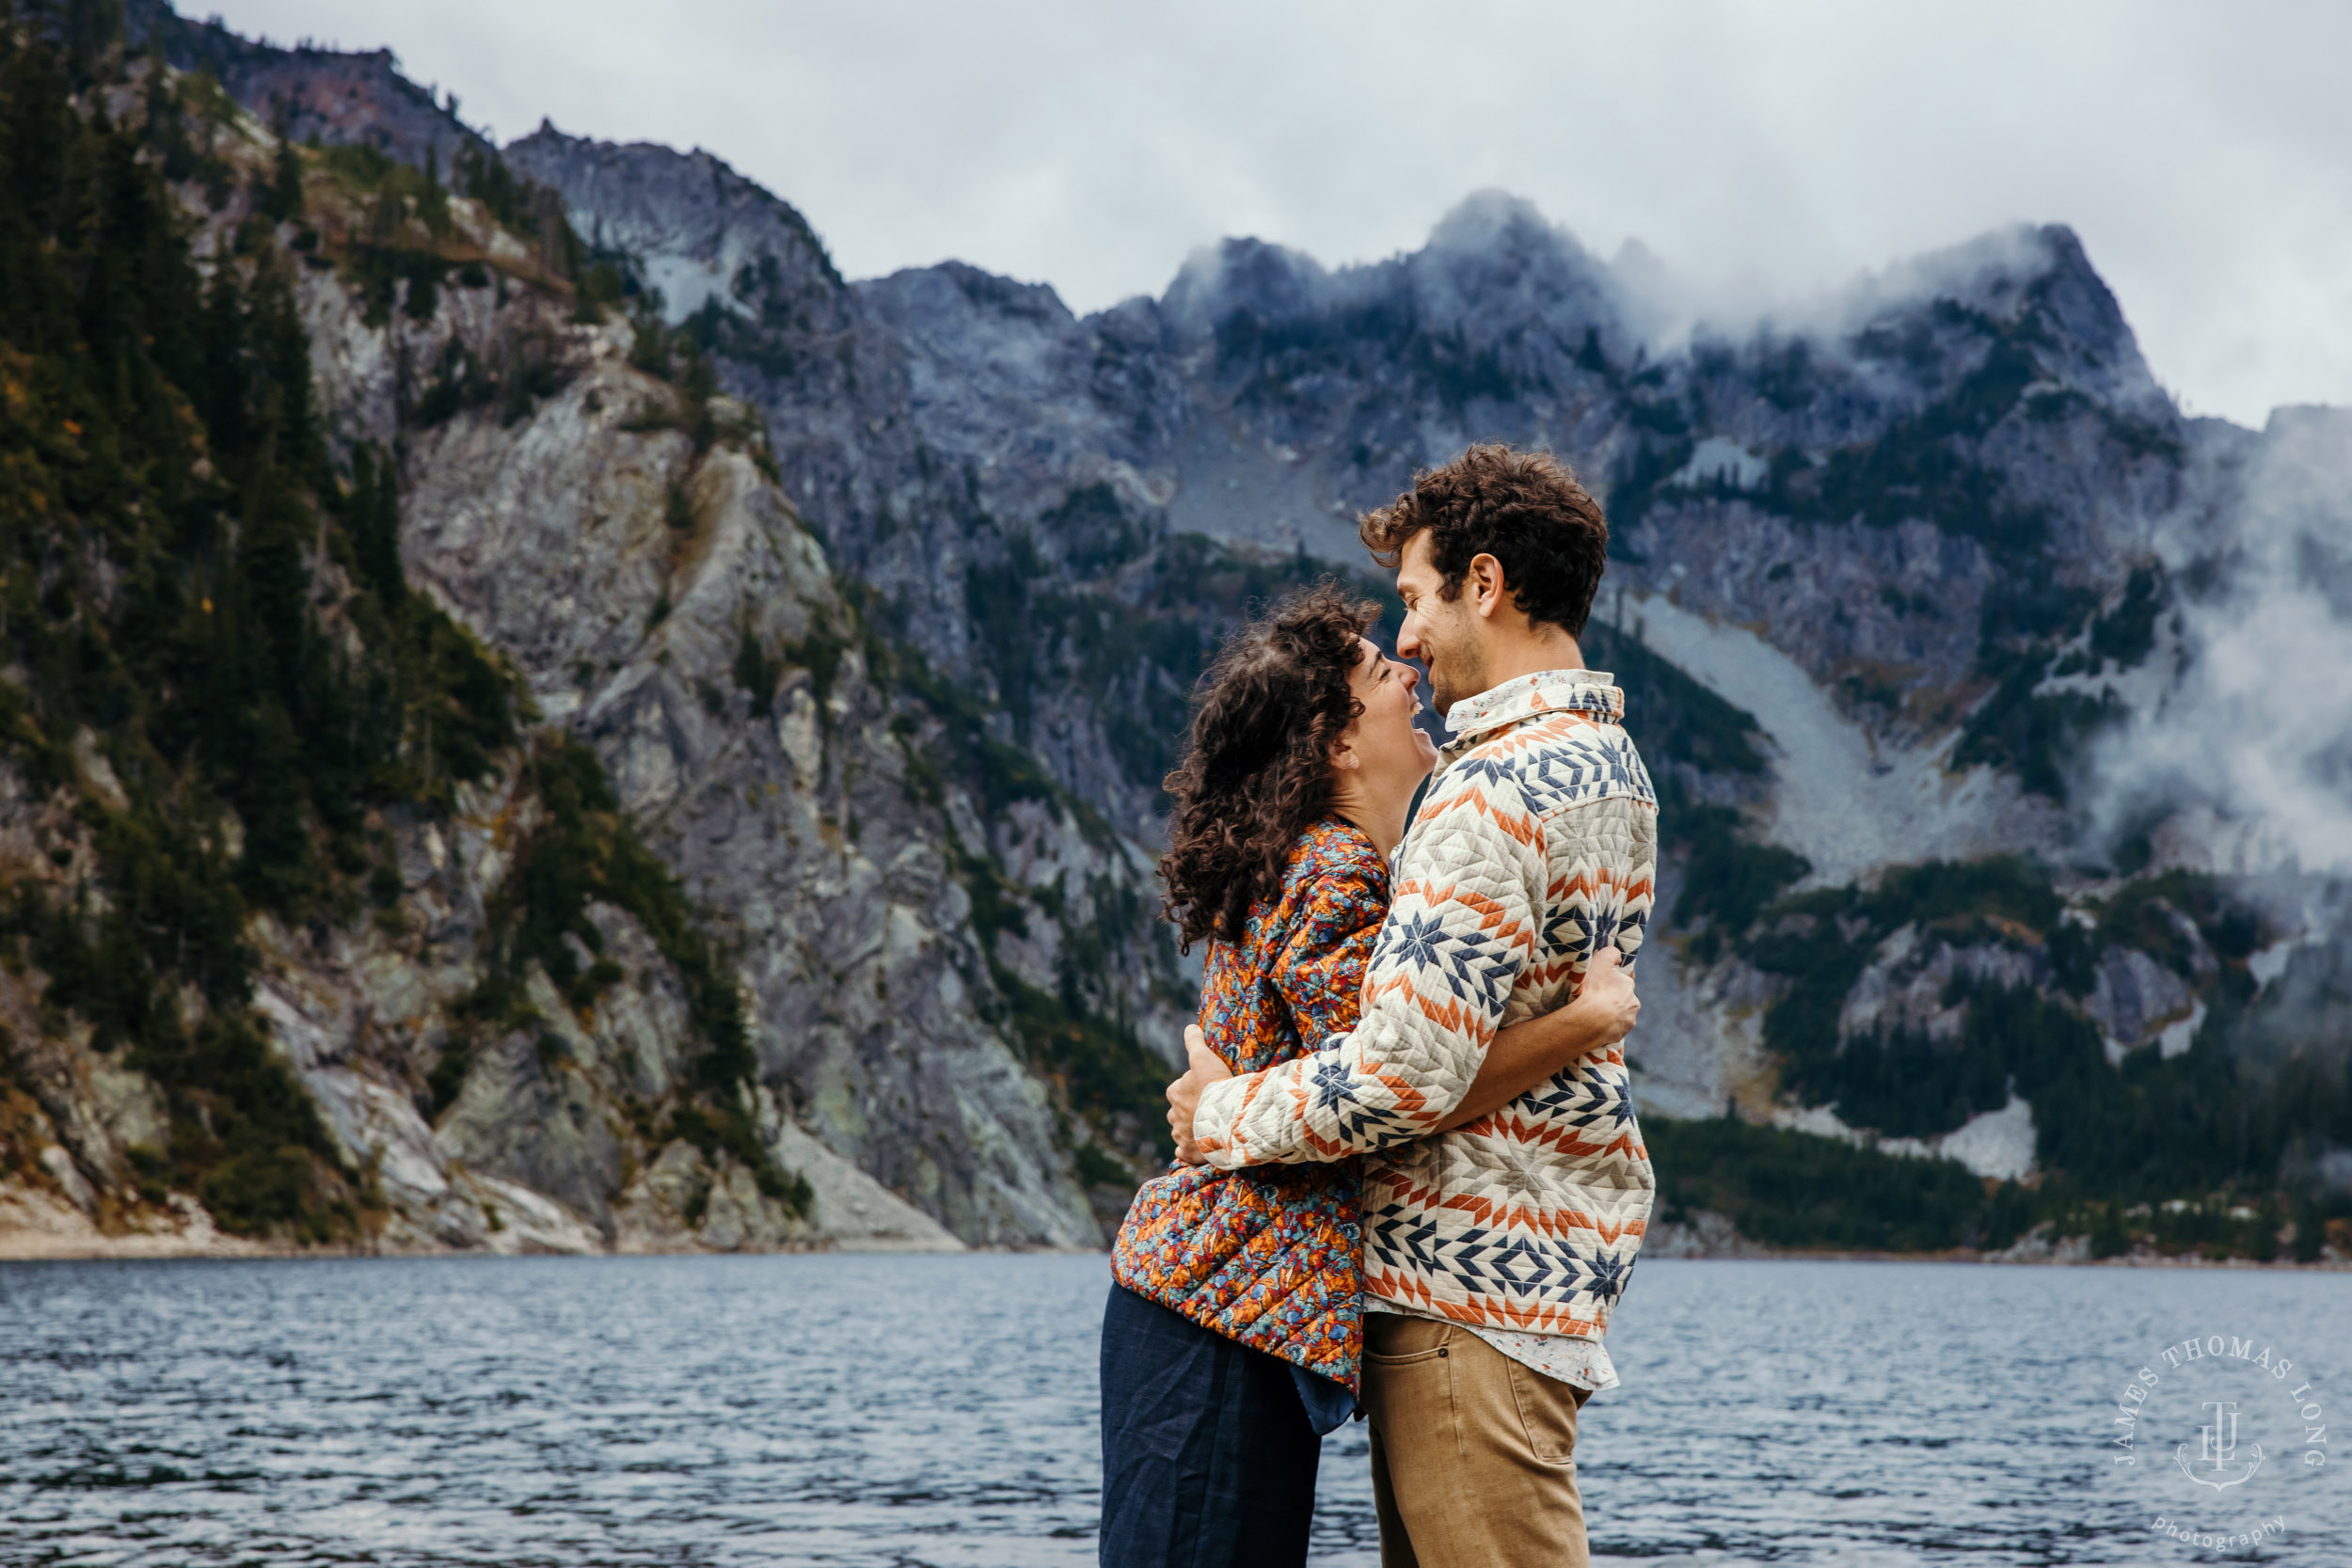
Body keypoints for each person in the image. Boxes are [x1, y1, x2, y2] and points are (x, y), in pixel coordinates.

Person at [1166, 445, 1659, 1568]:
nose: (1404, 638)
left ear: (1483, 583)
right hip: (1533, 1279)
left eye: (1414, 596)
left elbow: (1400, 1073)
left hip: (1461, 1296)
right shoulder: (1608, 760)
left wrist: (1221, 1112)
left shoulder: (1487, 788)